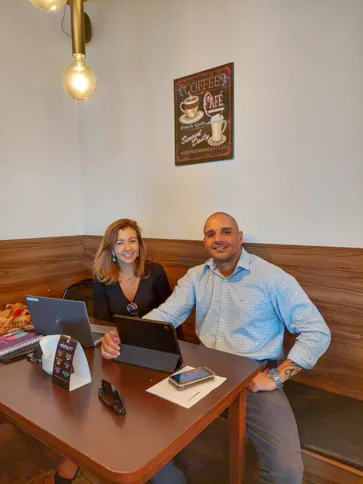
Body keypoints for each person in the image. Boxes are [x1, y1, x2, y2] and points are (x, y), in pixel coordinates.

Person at [101, 212, 331, 484]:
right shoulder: (196, 277)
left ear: (240, 237)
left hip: (252, 376)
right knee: (146, 431)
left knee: (286, 472)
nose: (218, 239)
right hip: (202, 371)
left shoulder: (272, 278)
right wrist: (121, 335)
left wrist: (277, 377)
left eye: (226, 232)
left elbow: (317, 331)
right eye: (211, 234)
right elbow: (166, 315)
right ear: (204, 242)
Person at [55, 218, 185, 484]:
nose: (127, 248)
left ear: (140, 243)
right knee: (102, 395)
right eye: (120, 242)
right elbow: (103, 324)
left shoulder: (155, 271)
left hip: (156, 351)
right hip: (118, 349)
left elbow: (172, 315)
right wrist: (111, 345)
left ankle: (149, 455)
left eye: (132, 240)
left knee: (145, 405)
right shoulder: (102, 279)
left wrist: (177, 353)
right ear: (111, 249)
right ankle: (89, 449)